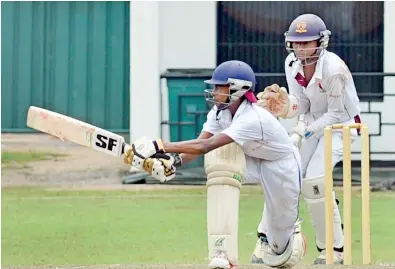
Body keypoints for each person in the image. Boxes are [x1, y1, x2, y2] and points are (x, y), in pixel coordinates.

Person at [123, 60, 306, 268]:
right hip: (252, 160)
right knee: (221, 159)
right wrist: (175, 162)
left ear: (238, 89)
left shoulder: (252, 118)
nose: (214, 91)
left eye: (219, 87)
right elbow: (202, 140)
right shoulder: (220, 111)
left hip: (281, 165)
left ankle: (291, 236)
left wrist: (159, 145)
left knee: (280, 248)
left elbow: (205, 145)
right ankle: (223, 252)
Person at [257, 14, 362, 264]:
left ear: (320, 42)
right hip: (315, 123)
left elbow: (336, 113)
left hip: (342, 126)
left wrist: (302, 131)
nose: (301, 48)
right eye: (297, 43)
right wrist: (284, 108)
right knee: (288, 173)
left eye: (307, 42)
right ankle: (267, 240)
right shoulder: (291, 63)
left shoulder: (333, 69)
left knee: (314, 181)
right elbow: (302, 103)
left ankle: (334, 249)